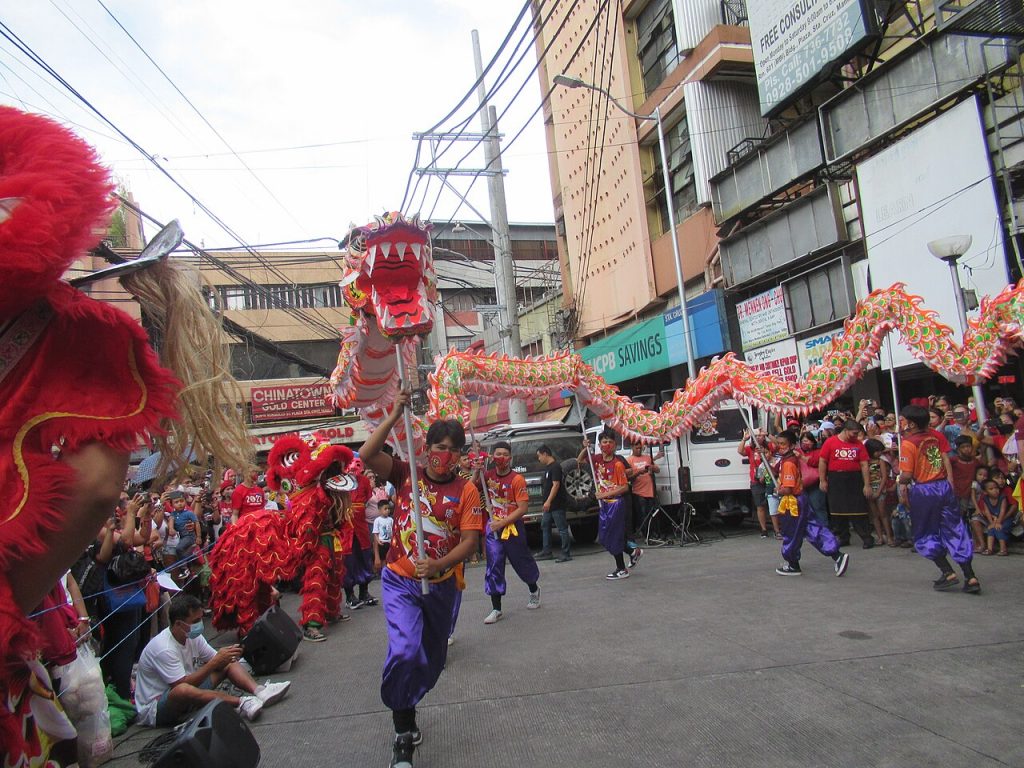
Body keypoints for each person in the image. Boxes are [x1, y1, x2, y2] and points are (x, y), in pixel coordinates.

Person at [360, 390, 483, 768]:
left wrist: (440, 563)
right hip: (400, 581)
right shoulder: (405, 474)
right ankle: (402, 734)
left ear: (460, 455)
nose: (445, 455)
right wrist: (394, 413)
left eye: (453, 450)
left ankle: (408, 704)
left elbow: (470, 542)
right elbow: (366, 455)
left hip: (441, 586)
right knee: (405, 651)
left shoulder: (466, 490)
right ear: (426, 448)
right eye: (439, 446)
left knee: (431, 660)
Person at [135, 594, 290, 726]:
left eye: (200, 619)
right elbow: (181, 685)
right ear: (178, 624)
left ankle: (260, 691)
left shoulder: (192, 636)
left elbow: (217, 659)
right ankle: (241, 703)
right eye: (195, 621)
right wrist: (214, 663)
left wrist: (228, 655)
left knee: (226, 660)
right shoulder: (164, 648)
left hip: (189, 691)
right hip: (157, 709)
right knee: (182, 689)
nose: (200, 624)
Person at [896, 405, 980, 593]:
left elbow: (907, 475)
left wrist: (900, 480)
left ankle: (947, 571)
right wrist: (949, 482)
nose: (901, 423)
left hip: (924, 490)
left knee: (925, 532)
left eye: (903, 420)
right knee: (955, 529)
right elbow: (945, 459)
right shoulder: (936, 436)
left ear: (911, 423)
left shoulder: (908, 444)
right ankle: (971, 576)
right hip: (943, 486)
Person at [772, 431, 850, 577]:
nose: (780, 447)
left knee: (791, 533)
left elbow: (787, 489)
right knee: (813, 528)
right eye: (778, 444)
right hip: (801, 499)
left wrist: (778, 490)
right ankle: (837, 554)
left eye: (783, 444)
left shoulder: (789, 462)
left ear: (792, 445)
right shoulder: (789, 459)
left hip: (793, 502)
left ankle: (793, 564)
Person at [479, 441, 541, 624]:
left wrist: (503, 523)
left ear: (510, 458)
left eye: (505, 454)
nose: (502, 458)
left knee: (521, 561)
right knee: (494, 564)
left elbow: (522, 508)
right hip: (493, 529)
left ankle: (533, 589)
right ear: (493, 457)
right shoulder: (487, 476)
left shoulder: (517, 479)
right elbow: (471, 487)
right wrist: (476, 470)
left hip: (512, 528)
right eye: (498, 454)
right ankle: (496, 608)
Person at [580, 429, 642, 580]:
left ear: (615, 445)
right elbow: (580, 461)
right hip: (605, 505)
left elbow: (624, 487)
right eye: (604, 442)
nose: (607, 444)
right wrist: (585, 447)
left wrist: (604, 495)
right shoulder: (597, 460)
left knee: (614, 536)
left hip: (616, 504)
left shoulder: (618, 464)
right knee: (605, 537)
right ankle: (632, 551)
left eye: (610, 442)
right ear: (599, 444)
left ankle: (621, 569)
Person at [819, 420, 874, 548]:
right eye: (854, 433)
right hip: (836, 478)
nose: (856, 436)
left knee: (858, 509)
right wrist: (823, 480)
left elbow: (864, 464)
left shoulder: (858, 444)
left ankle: (866, 537)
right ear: (846, 430)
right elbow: (823, 461)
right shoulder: (830, 442)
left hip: (854, 478)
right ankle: (843, 537)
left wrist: (867, 484)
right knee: (837, 510)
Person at [537, 445, 572, 562]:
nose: (539, 459)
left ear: (545, 454)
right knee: (545, 525)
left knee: (562, 528)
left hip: (556, 504)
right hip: (548, 505)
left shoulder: (555, 467)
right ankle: (546, 551)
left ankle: (566, 553)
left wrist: (548, 501)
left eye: (539, 456)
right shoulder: (548, 468)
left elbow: (556, 485)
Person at [738, 428, 773, 538]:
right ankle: (763, 529)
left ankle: (778, 528)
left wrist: (768, 434)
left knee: (773, 504)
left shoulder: (769, 446)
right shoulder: (751, 449)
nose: (758, 437)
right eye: (756, 436)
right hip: (756, 480)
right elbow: (740, 451)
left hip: (770, 478)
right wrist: (744, 439)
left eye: (760, 435)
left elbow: (778, 444)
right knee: (760, 506)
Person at [626, 441, 662, 538]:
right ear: (632, 447)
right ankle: (646, 534)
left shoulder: (647, 458)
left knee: (653, 513)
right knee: (643, 514)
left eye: (640, 447)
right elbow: (628, 478)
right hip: (638, 492)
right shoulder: (629, 460)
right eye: (636, 448)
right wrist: (638, 472)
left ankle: (654, 532)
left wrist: (652, 468)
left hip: (650, 491)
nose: (639, 450)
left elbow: (658, 470)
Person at [864, 439, 890, 546]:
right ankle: (880, 537)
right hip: (870, 488)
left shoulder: (881, 461)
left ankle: (889, 537)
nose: (879, 453)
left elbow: (884, 477)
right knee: (874, 515)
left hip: (879, 488)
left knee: (883, 514)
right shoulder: (865, 462)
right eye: (877, 451)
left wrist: (879, 491)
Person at [165, 490, 199, 572]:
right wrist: (171, 528)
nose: (180, 504)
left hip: (189, 536)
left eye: (181, 501)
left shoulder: (189, 513)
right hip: (180, 537)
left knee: (179, 548)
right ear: (172, 504)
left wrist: (199, 536)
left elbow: (197, 523)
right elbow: (171, 521)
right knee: (179, 550)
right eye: (176, 502)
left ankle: (184, 566)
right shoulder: (173, 514)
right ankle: (188, 563)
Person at [977, 479, 1012, 556]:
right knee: (991, 529)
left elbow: (1002, 511)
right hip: (994, 520)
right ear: (985, 492)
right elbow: (987, 512)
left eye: (996, 488)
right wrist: (991, 523)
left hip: (1005, 519)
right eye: (991, 489)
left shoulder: (1002, 497)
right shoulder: (985, 499)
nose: (995, 490)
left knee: (998, 529)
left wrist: (998, 522)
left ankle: (1003, 549)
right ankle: (990, 549)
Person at [373, 499, 394, 571]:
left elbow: (393, 530)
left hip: (389, 542)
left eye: (388, 509)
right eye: (385, 509)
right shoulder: (377, 520)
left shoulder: (391, 520)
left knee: (389, 558)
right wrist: (378, 540)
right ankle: (383, 571)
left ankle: (388, 571)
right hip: (382, 543)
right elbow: (375, 532)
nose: (387, 510)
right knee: (382, 559)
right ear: (380, 510)